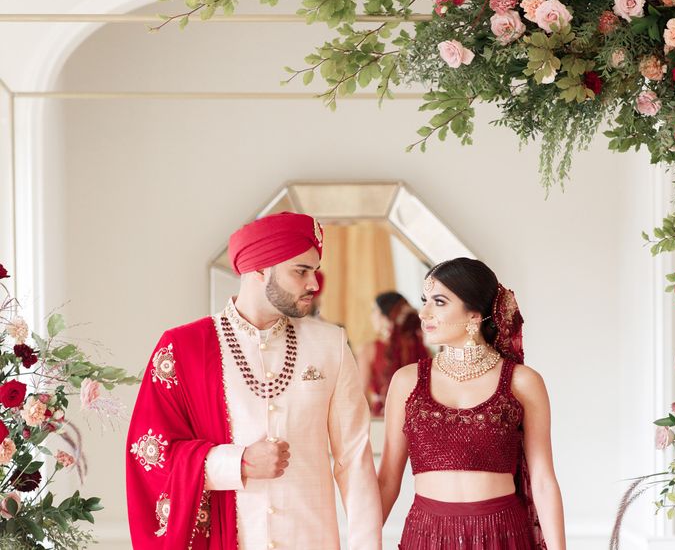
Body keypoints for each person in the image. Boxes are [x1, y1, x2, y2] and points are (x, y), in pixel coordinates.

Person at [126, 212, 382, 549]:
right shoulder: (183, 348)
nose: (314, 284)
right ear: (259, 269)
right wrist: (238, 463)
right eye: (301, 271)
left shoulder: (329, 344)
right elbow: (149, 455)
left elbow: (354, 461)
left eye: (314, 271)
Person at [377, 258, 565, 550]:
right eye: (425, 301)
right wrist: (360, 539)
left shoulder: (522, 382)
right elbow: (388, 478)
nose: (424, 312)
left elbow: (542, 480)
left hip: (502, 536)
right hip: (427, 536)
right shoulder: (407, 381)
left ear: (474, 316)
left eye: (439, 302)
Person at [356, 292, 429, 416]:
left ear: (385, 316)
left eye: (374, 310)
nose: (371, 316)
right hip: (419, 417)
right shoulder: (421, 348)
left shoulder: (368, 350)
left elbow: (361, 396)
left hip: (382, 418)